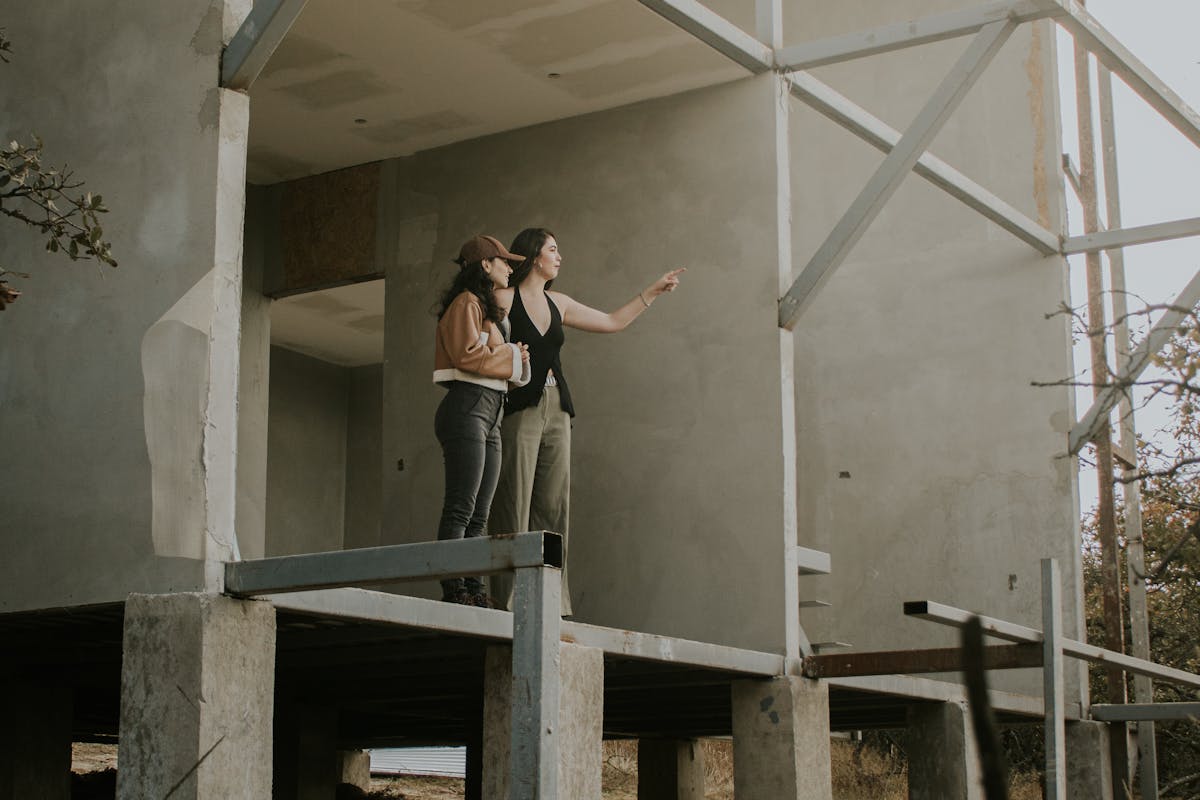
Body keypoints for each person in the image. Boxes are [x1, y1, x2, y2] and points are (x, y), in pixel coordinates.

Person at [489, 228, 684, 615]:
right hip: (519, 407)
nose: (559, 257)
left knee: (553, 507)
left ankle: (551, 603)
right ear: (533, 256)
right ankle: (505, 601)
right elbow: (484, 343)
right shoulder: (501, 299)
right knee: (513, 501)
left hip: (557, 406)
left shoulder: (558, 302)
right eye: (553, 250)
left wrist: (652, 292)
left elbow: (612, 321)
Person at [432, 234, 530, 606]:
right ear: (485, 265)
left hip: (491, 410)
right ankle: (453, 588)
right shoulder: (466, 302)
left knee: (480, 513)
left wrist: (512, 357)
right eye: (504, 261)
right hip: (468, 408)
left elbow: (500, 365)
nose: (510, 267)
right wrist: (510, 355)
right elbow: (467, 355)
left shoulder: (487, 310)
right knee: (461, 506)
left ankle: (473, 589)